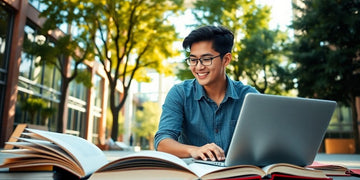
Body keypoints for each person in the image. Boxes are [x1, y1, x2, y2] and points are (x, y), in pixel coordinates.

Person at [154, 25, 259, 162]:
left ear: (226, 60)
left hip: (237, 174)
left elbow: (265, 139)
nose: (198, 67)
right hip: (194, 174)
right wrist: (194, 150)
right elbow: (163, 142)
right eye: (193, 59)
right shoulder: (180, 93)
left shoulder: (249, 97)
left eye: (206, 59)